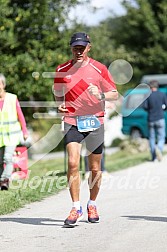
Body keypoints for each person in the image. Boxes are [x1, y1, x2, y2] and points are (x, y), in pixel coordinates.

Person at [54, 32, 118, 226]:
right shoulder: (62, 69)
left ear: (89, 47)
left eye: (82, 47)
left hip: (94, 120)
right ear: (71, 48)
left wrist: (100, 94)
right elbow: (58, 93)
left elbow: (114, 94)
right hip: (72, 119)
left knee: (95, 168)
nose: (79, 51)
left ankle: (92, 203)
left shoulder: (99, 68)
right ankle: (76, 207)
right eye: (76, 47)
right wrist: (59, 104)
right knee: (73, 163)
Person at [0, 73, 28, 190]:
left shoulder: (12, 98)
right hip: (1, 136)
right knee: (1, 160)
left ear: (3, 84)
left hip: (12, 135)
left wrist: (24, 131)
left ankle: (4, 180)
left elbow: (20, 115)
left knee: (7, 158)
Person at [143, 80, 167, 161]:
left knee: (152, 138)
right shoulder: (162, 94)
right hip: (160, 118)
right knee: (161, 136)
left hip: (151, 119)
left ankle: (154, 157)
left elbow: (145, 107)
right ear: (157, 86)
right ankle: (159, 148)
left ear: (150, 87)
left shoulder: (148, 95)